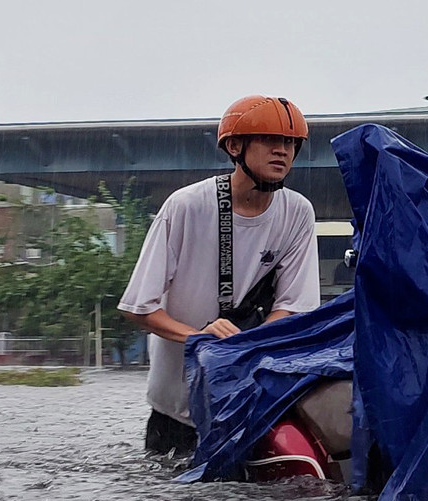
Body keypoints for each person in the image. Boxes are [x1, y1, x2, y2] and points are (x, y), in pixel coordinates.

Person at [119, 95, 321, 455]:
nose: (283, 151)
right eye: (271, 140)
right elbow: (137, 307)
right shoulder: (186, 207)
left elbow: (294, 305)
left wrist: (245, 348)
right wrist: (200, 339)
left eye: (291, 143)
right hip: (177, 405)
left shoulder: (298, 213)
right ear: (234, 146)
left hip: (247, 401)